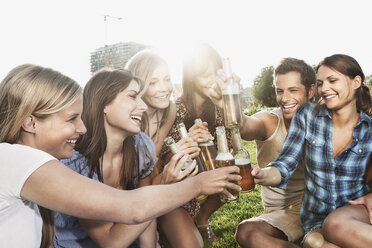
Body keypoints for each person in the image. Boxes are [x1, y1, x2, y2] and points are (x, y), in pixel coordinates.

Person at [0, 64, 242, 248]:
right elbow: (132, 209)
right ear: (30, 123)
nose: (82, 129)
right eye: (71, 119)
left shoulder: (137, 147)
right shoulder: (19, 161)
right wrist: (198, 183)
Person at [252, 54, 372, 248]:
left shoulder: (369, 129)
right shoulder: (307, 116)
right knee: (317, 244)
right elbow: (285, 164)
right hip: (317, 222)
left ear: (356, 81)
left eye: (332, 81)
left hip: (356, 214)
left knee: (335, 225)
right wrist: (261, 174)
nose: (324, 89)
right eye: (321, 83)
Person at [53, 68, 179, 248]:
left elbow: (145, 207)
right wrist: (164, 185)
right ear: (104, 104)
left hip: (128, 239)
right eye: (132, 96)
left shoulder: (140, 147)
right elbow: (109, 242)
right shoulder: (73, 164)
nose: (143, 106)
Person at [210, 57, 316, 247]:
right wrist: (227, 102)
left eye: (293, 90)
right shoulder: (269, 121)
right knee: (247, 232)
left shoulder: (324, 121)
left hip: (318, 205)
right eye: (279, 91)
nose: (284, 98)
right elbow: (246, 125)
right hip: (282, 212)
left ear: (311, 91)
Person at [126, 49, 213, 247]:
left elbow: (152, 162)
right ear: (137, 86)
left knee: (191, 244)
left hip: (158, 188)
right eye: (153, 82)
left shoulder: (169, 110)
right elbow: (139, 183)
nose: (164, 88)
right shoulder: (129, 119)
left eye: (166, 79)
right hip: (129, 195)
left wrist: (183, 145)